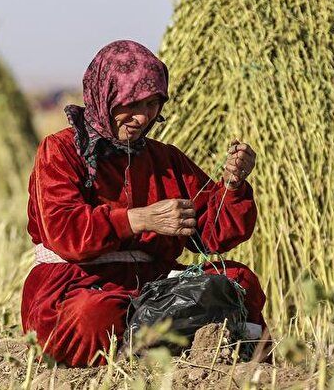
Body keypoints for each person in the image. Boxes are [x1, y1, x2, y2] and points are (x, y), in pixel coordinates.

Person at [21, 40, 268, 367]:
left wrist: (233, 186)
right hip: (78, 284)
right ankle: (154, 351)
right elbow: (66, 232)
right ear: (104, 95)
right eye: (132, 104)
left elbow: (212, 234)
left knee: (238, 283)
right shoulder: (60, 151)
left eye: (152, 104)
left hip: (151, 284)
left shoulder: (164, 158)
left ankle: (216, 356)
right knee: (94, 316)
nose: (142, 117)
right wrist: (139, 220)